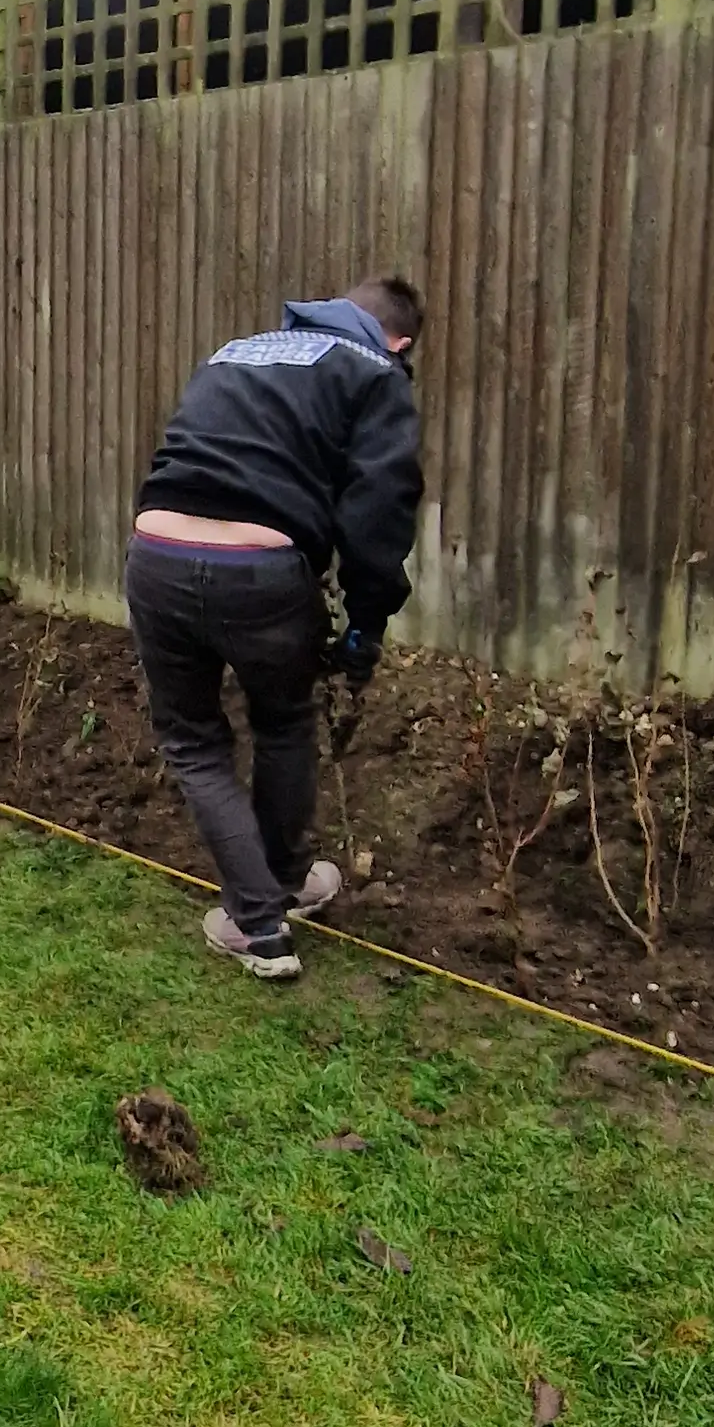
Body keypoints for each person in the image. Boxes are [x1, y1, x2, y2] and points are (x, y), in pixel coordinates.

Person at [125, 276, 424, 981]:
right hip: (261, 568)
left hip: (157, 552)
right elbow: (378, 513)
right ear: (401, 341)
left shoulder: (236, 351)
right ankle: (264, 919)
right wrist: (366, 625)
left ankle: (266, 907)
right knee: (284, 723)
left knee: (194, 743)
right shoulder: (375, 371)